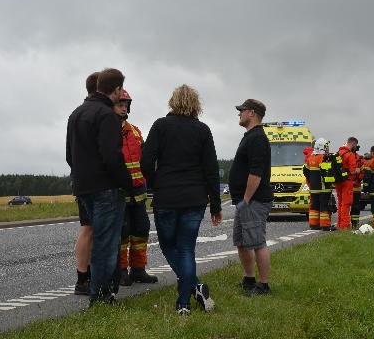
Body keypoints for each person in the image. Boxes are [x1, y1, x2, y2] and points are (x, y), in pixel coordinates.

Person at [141, 84, 222, 315]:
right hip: (195, 198)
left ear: (172, 102)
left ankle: (192, 289)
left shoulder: (160, 126)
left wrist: (157, 182)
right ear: (197, 105)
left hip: (166, 197)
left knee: (168, 246)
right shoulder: (203, 130)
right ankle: (184, 302)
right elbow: (211, 170)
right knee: (186, 249)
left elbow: (146, 162)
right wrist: (215, 204)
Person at [67, 68, 134, 305]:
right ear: (115, 90)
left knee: (97, 237)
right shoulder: (106, 115)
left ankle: (99, 289)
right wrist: (127, 183)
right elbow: (112, 157)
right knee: (106, 244)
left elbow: (69, 156)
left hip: (83, 187)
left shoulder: (76, 113)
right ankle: (101, 295)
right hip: (106, 188)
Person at [112, 88, 158, 286]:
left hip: (139, 191)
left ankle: (138, 269)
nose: (123, 109)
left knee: (140, 230)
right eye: (120, 105)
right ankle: (121, 271)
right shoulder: (108, 131)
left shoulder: (136, 132)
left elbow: (145, 160)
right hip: (118, 192)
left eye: (125, 105)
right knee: (122, 233)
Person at [229, 99, 273, 296]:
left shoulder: (257, 138)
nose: (239, 113)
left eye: (242, 110)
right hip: (244, 201)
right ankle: (249, 279)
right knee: (241, 241)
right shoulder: (250, 136)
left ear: (252, 113)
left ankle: (264, 285)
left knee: (256, 242)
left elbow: (256, 173)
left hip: (253, 200)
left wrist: (246, 199)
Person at [73, 71, 98, 295]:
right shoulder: (99, 114)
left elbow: (69, 155)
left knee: (87, 229)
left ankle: (82, 277)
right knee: (92, 230)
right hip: (98, 182)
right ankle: (89, 278)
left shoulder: (75, 114)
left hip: (80, 181)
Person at [303, 138, 333, 231]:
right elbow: (327, 172)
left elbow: (305, 170)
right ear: (322, 147)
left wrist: (311, 180)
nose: (328, 148)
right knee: (325, 207)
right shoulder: (323, 158)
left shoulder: (310, 157)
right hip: (324, 188)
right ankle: (325, 226)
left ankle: (313, 225)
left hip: (314, 188)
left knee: (314, 206)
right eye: (326, 147)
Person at [335, 137, 361, 230]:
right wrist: (358, 170)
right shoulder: (350, 154)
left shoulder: (338, 153)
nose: (356, 147)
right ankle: (345, 226)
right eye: (356, 145)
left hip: (338, 182)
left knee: (340, 203)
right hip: (347, 182)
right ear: (353, 144)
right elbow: (353, 171)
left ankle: (339, 224)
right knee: (346, 204)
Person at [350, 149, 366, 229]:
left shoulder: (360, 160)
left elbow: (363, 172)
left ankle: (354, 223)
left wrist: (358, 179)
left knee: (355, 206)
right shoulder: (344, 158)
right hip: (348, 187)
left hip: (355, 187)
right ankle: (345, 223)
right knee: (345, 206)